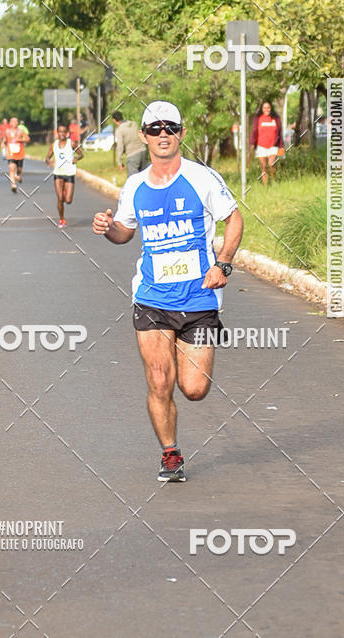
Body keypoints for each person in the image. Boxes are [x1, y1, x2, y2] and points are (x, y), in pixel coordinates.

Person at [92, 101, 243, 482]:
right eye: (155, 129)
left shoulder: (202, 178)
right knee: (160, 380)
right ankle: (170, 454)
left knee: (194, 389)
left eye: (170, 128)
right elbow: (124, 233)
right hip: (152, 298)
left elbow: (234, 218)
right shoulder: (135, 185)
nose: (163, 135)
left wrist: (222, 263)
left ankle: (182, 348)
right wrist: (106, 227)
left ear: (181, 134)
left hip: (200, 297)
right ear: (143, 136)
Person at [46, 123, 83, 228]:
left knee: (68, 200)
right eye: (60, 132)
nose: (62, 134)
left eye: (64, 132)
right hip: (58, 173)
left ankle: (64, 191)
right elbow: (47, 157)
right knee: (60, 198)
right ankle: (62, 219)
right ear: (57, 133)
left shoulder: (72, 144)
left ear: (67, 133)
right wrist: (48, 161)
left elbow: (81, 154)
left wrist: (76, 158)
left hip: (69, 173)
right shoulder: (54, 145)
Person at [250, 100, 284, 186]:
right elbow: (254, 131)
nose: (267, 109)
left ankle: (273, 180)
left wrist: (281, 146)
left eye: (268, 108)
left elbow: (279, 132)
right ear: (262, 109)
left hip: (273, 145)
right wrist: (252, 143)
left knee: (271, 164)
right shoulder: (258, 118)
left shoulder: (276, 118)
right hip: (261, 146)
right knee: (264, 166)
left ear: (271, 108)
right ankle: (265, 185)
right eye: (265, 108)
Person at [113, 110, 148, 176]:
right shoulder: (134, 124)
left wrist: (119, 162)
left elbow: (120, 147)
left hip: (132, 154)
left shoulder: (120, 130)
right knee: (144, 176)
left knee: (133, 180)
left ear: (114, 120)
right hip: (143, 151)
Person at [3, 116, 28, 192]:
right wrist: (3, 143)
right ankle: (13, 185)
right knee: (12, 169)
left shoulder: (20, 131)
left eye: (16, 121)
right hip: (11, 153)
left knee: (19, 169)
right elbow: (5, 140)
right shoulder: (7, 131)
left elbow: (27, 139)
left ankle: (17, 176)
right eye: (13, 121)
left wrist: (20, 140)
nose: (15, 123)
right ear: (10, 123)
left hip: (20, 153)